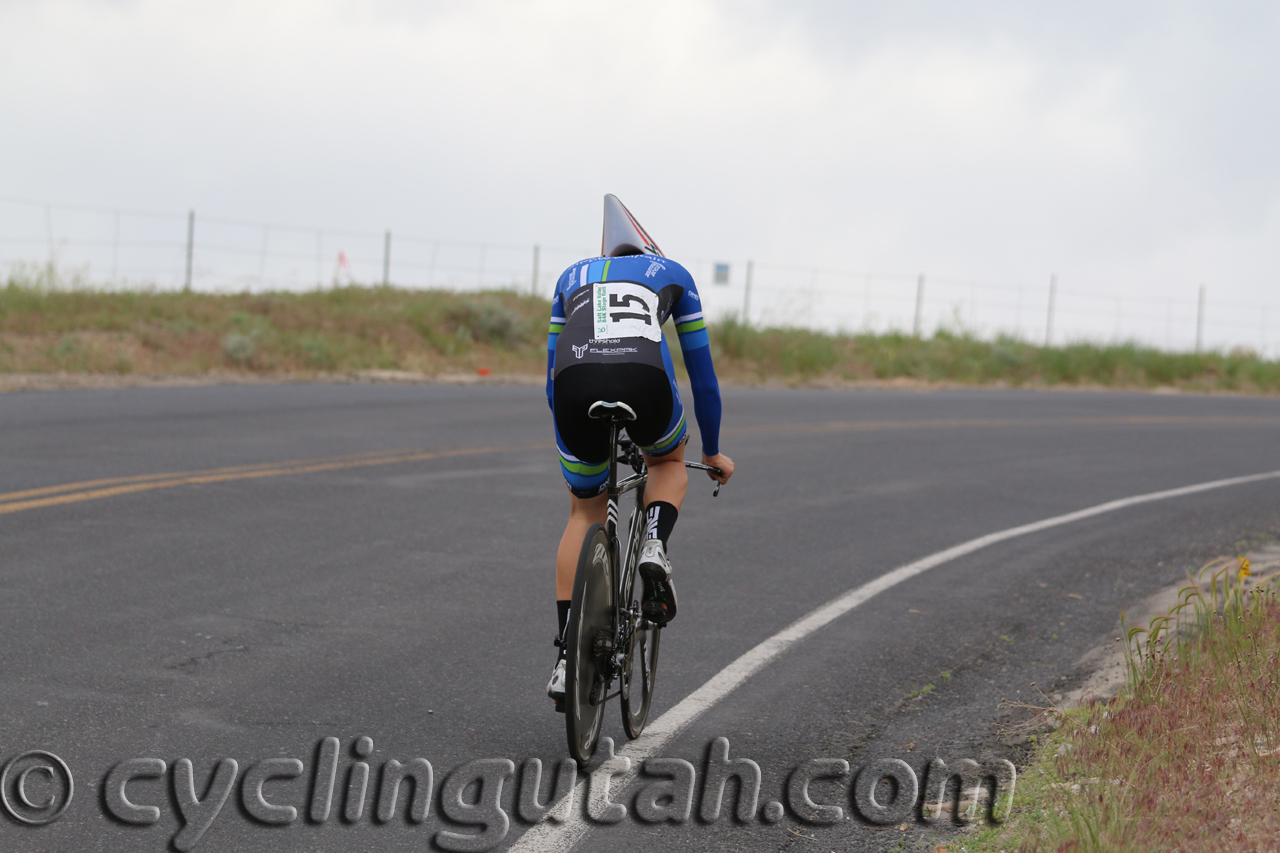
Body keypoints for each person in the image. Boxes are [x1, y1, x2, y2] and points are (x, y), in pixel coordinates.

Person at [545, 194, 734, 707]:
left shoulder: (570, 277)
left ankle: (566, 660)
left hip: (573, 389)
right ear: (647, 247)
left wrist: (571, 436)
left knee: (583, 511)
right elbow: (703, 377)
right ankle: (654, 543)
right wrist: (714, 450)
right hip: (645, 381)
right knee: (668, 462)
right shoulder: (673, 273)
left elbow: (550, 376)